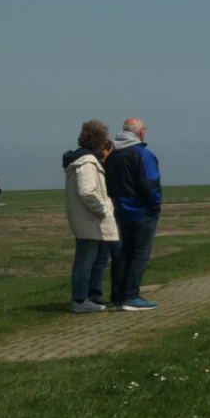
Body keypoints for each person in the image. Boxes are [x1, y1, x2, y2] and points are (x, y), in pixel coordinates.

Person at [103, 117, 162, 310]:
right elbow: (150, 184)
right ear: (141, 132)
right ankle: (131, 296)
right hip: (141, 210)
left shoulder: (112, 156)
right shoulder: (142, 154)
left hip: (119, 210)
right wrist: (155, 205)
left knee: (124, 254)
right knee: (140, 254)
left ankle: (118, 296)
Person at [62, 120, 118, 314]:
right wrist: (103, 210)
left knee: (88, 259)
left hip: (85, 218)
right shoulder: (87, 162)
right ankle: (79, 299)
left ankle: (84, 298)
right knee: (85, 260)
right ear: (100, 141)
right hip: (89, 219)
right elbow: (87, 192)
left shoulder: (81, 159)